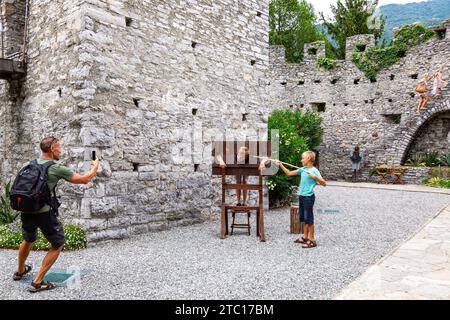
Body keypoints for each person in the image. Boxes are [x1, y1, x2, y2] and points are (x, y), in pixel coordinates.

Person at [13, 136, 100, 293]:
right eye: (59, 147)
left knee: (28, 239)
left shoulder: (28, 164)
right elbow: (84, 179)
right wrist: (95, 167)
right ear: (52, 148)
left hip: (26, 209)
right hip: (44, 213)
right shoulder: (56, 167)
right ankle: (37, 282)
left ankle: (20, 271)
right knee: (57, 244)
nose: (61, 150)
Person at [276, 151, 326, 248]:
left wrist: (315, 177)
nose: (301, 160)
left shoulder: (314, 171)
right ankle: (305, 237)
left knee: (309, 219)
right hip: (302, 196)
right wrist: (280, 165)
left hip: (308, 197)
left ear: (309, 159)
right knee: (303, 218)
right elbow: (289, 173)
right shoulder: (302, 169)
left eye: (303, 158)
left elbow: (324, 183)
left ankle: (312, 240)